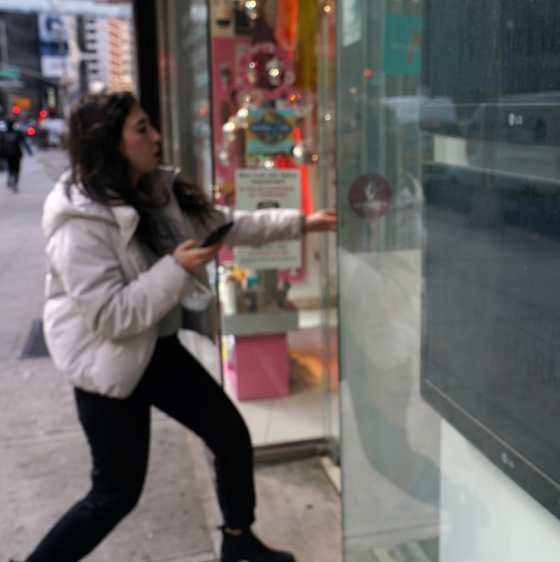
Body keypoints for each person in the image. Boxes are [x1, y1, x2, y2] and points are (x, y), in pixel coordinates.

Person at [22, 92, 336, 561]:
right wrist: (175, 269)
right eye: (142, 128)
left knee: (230, 436)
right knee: (114, 495)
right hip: (110, 370)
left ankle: (239, 542)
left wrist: (303, 224)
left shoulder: (153, 191)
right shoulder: (78, 222)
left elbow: (227, 225)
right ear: (111, 143)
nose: (156, 137)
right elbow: (110, 317)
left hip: (159, 350)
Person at [1, 119, 33, 192]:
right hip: (16, 154)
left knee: (10, 167)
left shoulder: (3, 134)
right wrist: (29, 152)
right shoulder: (18, 133)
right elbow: (24, 143)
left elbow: (2, 145)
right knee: (17, 169)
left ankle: (10, 178)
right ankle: (14, 182)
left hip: (7, 154)